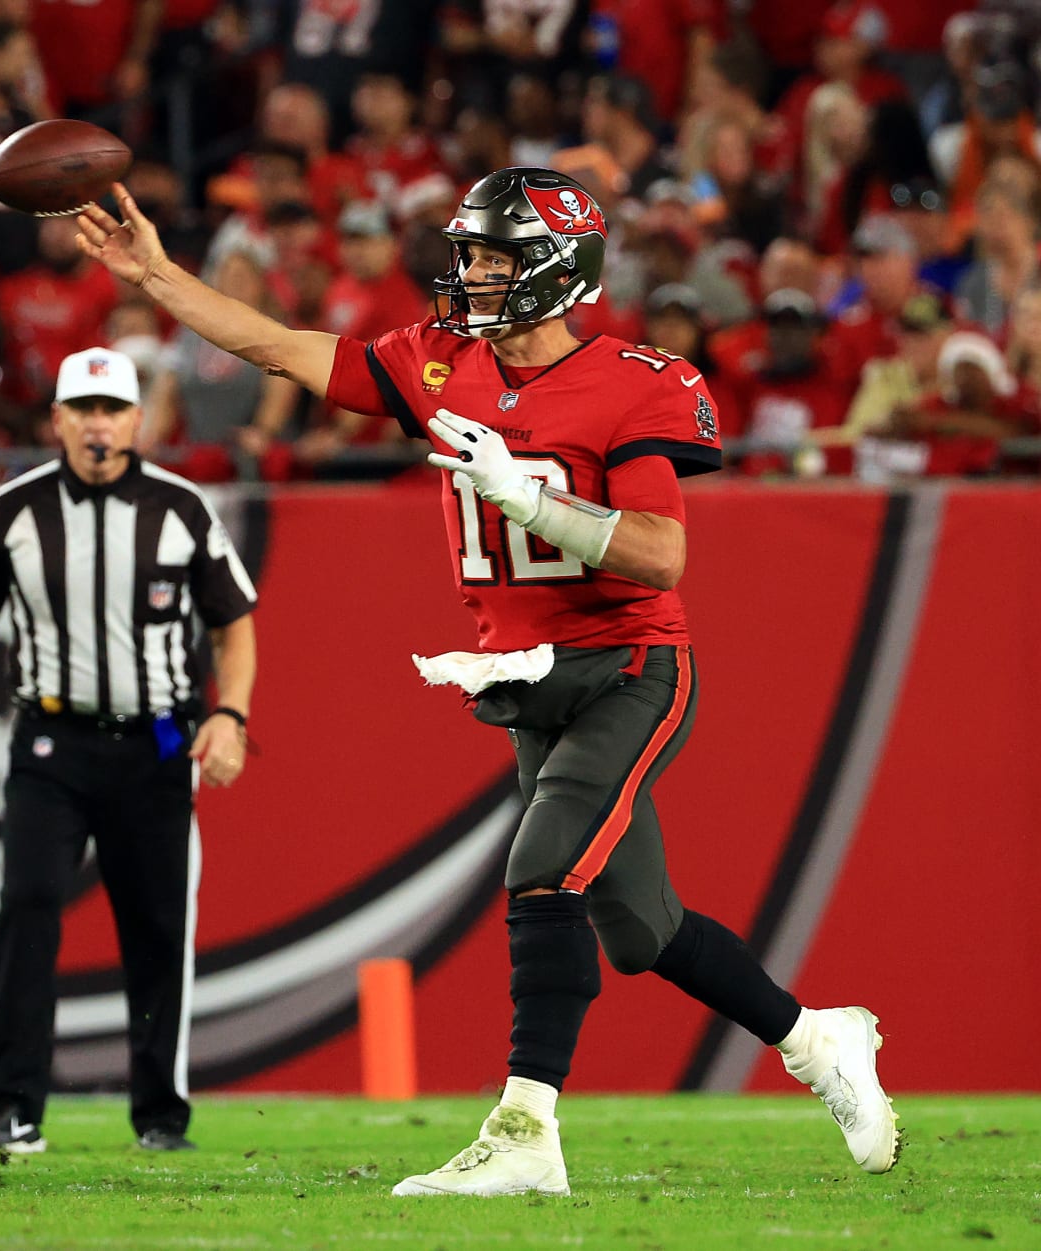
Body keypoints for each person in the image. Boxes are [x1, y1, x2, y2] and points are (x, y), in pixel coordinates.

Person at [73, 168, 900, 1195]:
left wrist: (531, 500)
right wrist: (156, 276)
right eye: (468, 255)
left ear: (556, 269)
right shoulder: (440, 361)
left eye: (493, 258)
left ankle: (524, 1131)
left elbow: (661, 555)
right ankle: (819, 1041)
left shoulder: (635, 380)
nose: (469, 275)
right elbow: (278, 347)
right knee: (640, 930)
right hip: (530, 675)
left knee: (544, 865)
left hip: (630, 666)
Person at [0, 346, 257, 1155]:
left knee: (157, 926)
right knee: (26, 908)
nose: (98, 425)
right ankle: (12, 1107)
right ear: (58, 420)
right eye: (83, 409)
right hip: (51, 740)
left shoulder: (181, 508)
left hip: (159, 738)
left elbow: (233, 623)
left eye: (111, 410)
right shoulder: (14, 510)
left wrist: (231, 715)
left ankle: (160, 1115)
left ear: (138, 420)